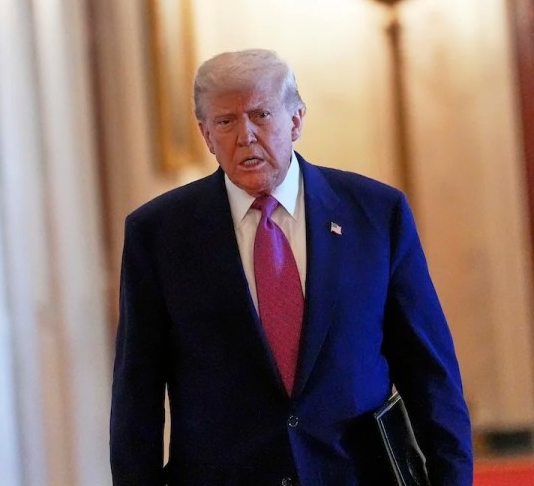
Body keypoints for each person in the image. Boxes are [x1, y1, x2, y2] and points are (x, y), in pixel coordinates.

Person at [109, 49, 472, 486]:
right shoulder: (158, 234)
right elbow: (137, 395)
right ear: (205, 135)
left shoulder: (375, 213)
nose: (245, 136)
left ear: (296, 120)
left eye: (261, 115)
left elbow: (431, 375)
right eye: (225, 122)